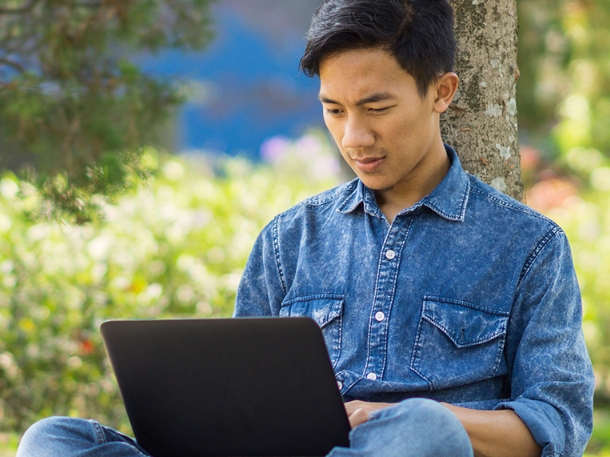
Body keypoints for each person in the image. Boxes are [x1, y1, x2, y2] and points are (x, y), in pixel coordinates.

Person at [16, 0, 594, 456]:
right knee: (51, 440)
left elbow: (558, 425)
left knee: (423, 432)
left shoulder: (529, 247)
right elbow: (237, 406)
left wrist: (413, 417)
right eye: (334, 109)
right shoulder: (288, 240)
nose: (353, 138)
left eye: (377, 108)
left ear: (441, 91)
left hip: (412, 452)